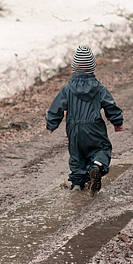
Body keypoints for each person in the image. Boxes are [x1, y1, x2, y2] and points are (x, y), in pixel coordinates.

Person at [46, 45, 124, 194]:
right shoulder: (99, 87)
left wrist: (51, 123)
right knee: (101, 148)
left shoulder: (67, 88)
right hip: (94, 126)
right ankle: (97, 166)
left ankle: (77, 183)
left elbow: (57, 106)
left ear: (74, 67)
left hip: (74, 128)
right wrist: (117, 122)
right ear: (92, 67)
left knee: (77, 155)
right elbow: (110, 105)